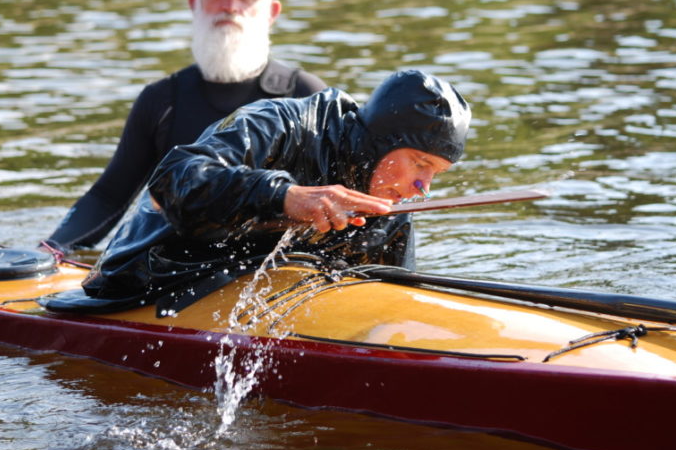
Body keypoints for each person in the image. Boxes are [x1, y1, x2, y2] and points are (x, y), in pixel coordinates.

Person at [78, 70, 471, 314]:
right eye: (421, 164)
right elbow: (171, 182)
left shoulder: (390, 201)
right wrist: (287, 197)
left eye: (436, 174)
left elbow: (397, 300)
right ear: (384, 140)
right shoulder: (279, 123)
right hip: (151, 280)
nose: (422, 188)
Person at [44, 0, 326, 254]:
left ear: (272, 12)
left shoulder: (305, 95)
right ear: (195, 2)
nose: (230, 6)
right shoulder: (161, 99)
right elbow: (108, 196)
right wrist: (53, 248)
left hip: (275, 263)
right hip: (178, 264)